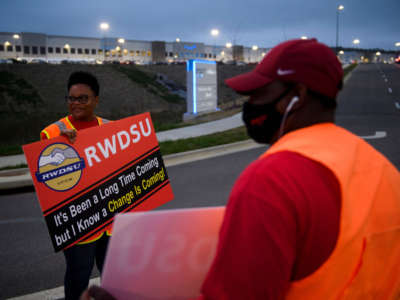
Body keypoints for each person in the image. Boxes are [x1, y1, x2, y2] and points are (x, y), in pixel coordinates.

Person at [81, 39, 400, 299]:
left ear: (298, 97)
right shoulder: (381, 168)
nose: (250, 104)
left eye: (259, 93)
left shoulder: (274, 179)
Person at [41, 71, 112, 300]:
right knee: (78, 276)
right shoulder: (53, 133)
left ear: (96, 100)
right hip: (78, 222)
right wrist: (62, 146)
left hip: (110, 222)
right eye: (72, 98)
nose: (76, 103)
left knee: (112, 276)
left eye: (83, 98)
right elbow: (48, 181)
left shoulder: (111, 128)